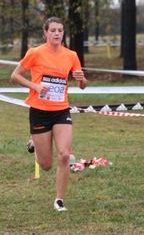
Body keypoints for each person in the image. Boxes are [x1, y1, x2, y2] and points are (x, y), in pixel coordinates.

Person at [11, 16, 87, 211]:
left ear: (63, 33)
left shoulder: (71, 55)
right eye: (52, 30)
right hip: (39, 111)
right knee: (46, 164)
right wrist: (35, 86)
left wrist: (82, 79)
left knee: (64, 156)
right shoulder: (35, 53)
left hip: (61, 110)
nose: (56, 34)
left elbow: (82, 86)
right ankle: (35, 144)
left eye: (60, 30)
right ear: (45, 33)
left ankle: (59, 200)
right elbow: (15, 76)